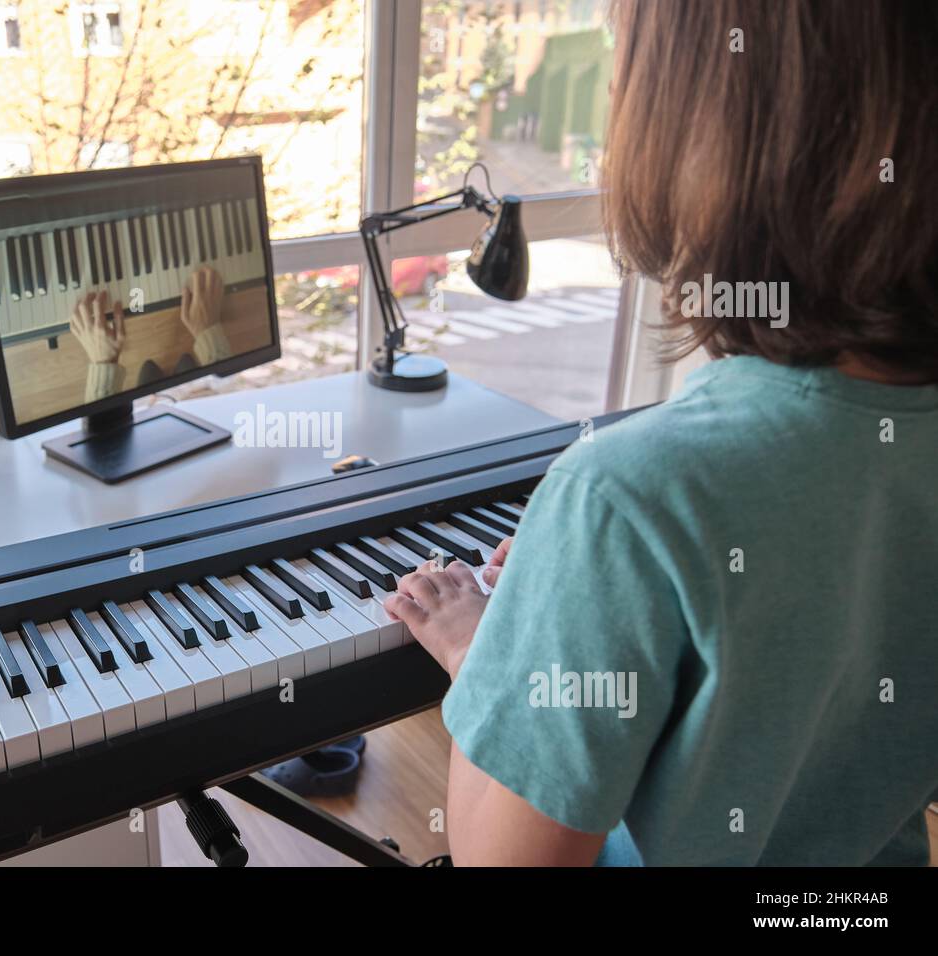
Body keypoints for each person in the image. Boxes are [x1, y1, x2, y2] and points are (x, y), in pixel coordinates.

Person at [383, 0, 938, 866]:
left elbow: (505, 862)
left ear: (684, 143)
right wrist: (581, 587)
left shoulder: (628, 491)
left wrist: (494, 648)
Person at [67, 267, 232, 403]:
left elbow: (100, 435)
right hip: (196, 402)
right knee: (182, 365)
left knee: (150, 370)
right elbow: (230, 400)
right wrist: (209, 332)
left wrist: (103, 363)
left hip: (152, 407)